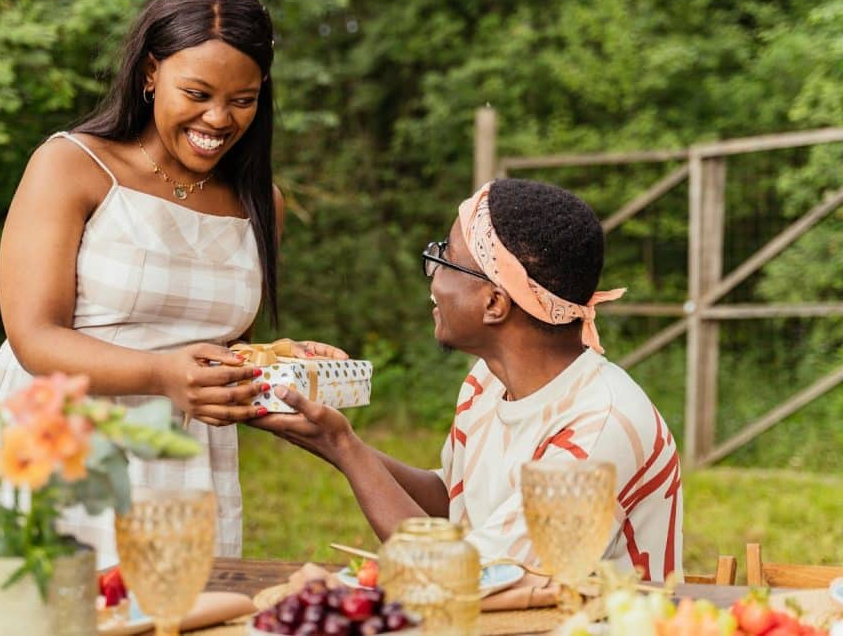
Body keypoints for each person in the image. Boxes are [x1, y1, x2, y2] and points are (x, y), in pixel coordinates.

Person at [0, 0, 343, 601]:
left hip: (180, 470)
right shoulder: (73, 166)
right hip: (59, 447)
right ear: (151, 73)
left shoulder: (261, 204)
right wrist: (161, 375)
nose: (219, 119)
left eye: (244, 100)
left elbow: (217, 351)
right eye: (196, 93)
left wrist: (279, 364)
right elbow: (34, 336)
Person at [254, 178, 683, 582]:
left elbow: (470, 578)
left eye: (446, 258)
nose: (433, 278)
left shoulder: (600, 427)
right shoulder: (488, 381)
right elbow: (450, 500)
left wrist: (345, 448)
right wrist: (330, 439)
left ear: (494, 302)